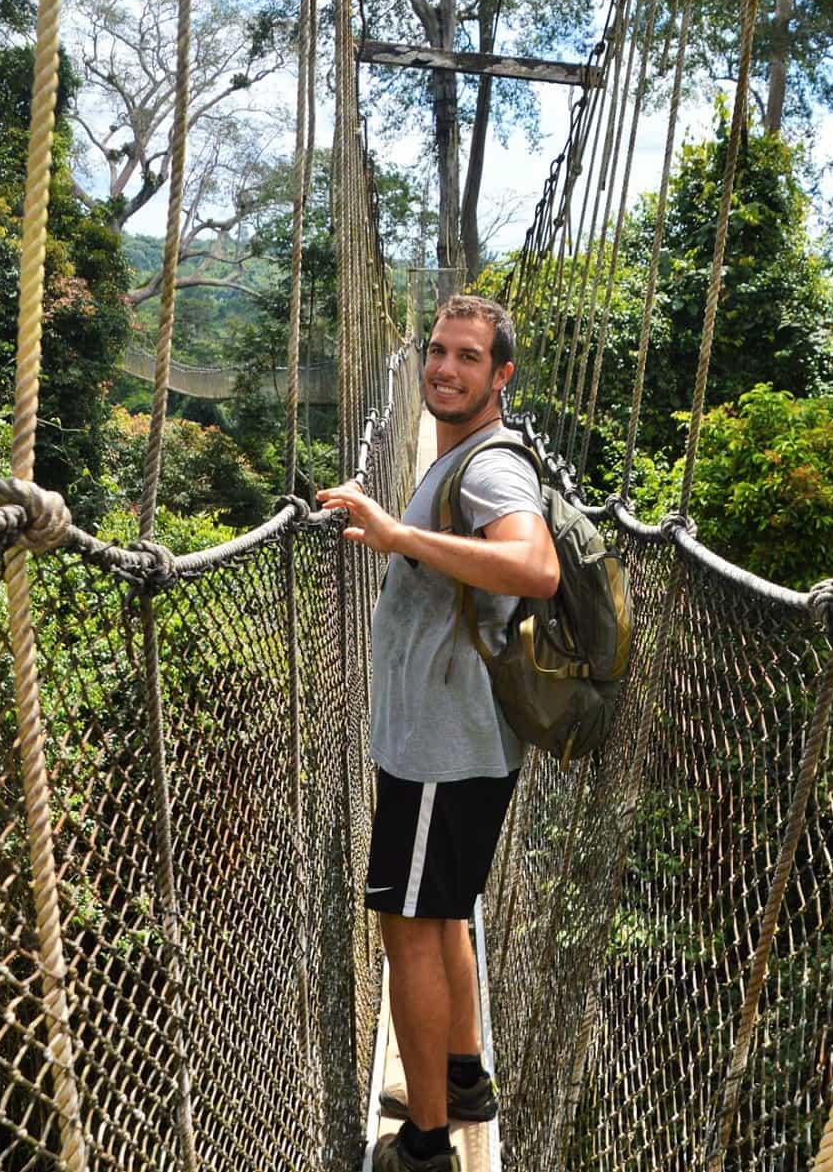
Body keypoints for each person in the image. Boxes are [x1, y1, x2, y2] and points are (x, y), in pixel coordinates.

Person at [317, 293, 558, 1172]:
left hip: (442, 747)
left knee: (406, 925)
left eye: (467, 357)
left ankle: (425, 1145)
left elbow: (535, 565)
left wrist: (389, 533)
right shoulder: (460, 452)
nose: (443, 369)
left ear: (501, 377)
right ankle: (461, 1078)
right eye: (437, 351)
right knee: (445, 910)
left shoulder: (492, 468)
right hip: (455, 739)